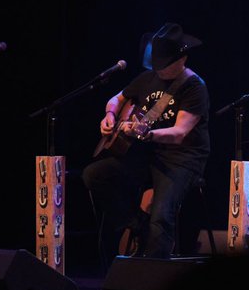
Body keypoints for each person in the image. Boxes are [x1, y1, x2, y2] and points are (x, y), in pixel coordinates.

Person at [82, 23, 210, 270]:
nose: (160, 70)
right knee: (94, 175)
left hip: (181, 159)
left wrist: (147, 134)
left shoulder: (194, 86)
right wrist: (109, 116)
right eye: (157, 64)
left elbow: (179, 133)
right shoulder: (147, 78)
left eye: (165, 65)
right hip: (148, 155)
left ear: (182, 59)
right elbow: (116, 100)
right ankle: (136, 222)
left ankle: (151, 280)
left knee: (161, 218)